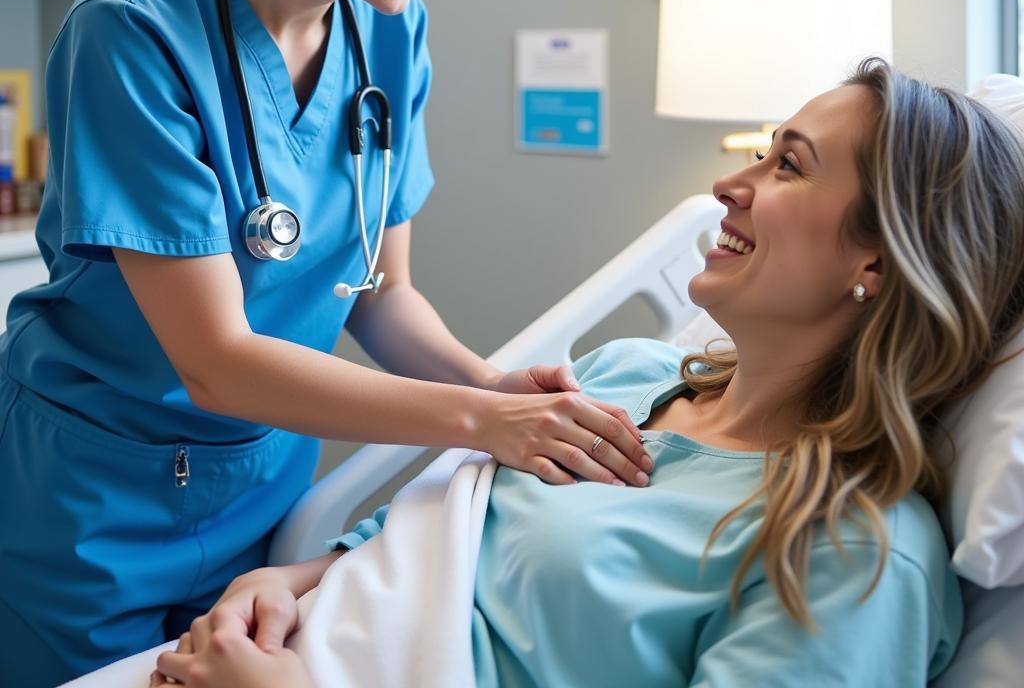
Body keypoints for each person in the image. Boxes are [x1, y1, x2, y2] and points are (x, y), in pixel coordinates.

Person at [0, 0, 654, 687]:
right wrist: (481, 423)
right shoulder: (134, 28)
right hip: (96, 505)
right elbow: (216, 358)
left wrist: (487, 382)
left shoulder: (390, 28)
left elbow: (381, 297)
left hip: (261, 495)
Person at [150, 58, 1024, 687]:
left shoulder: (850, 551)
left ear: (877, 261)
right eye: (762, 150)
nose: (730, 183)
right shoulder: (625, 374)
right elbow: (406, 546)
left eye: (788, 165)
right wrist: (283, 582)